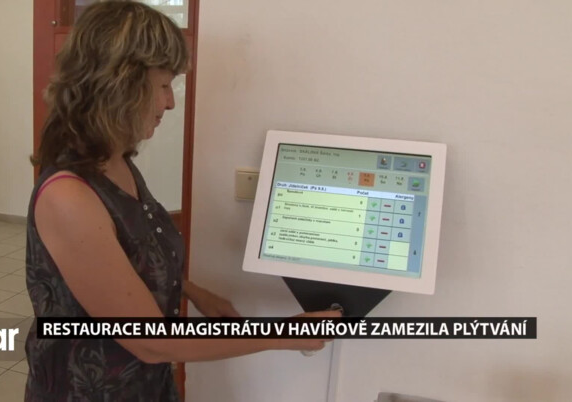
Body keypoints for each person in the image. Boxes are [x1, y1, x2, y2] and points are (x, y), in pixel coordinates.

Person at [25, 2, 339, 401]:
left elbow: (124, 258)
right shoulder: (69, 196)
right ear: (119, 86)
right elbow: (153, 342)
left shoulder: (115, 161)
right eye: (162, 86)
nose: (170, 103)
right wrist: (284, 335)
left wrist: (189, 290)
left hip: (145, 385)